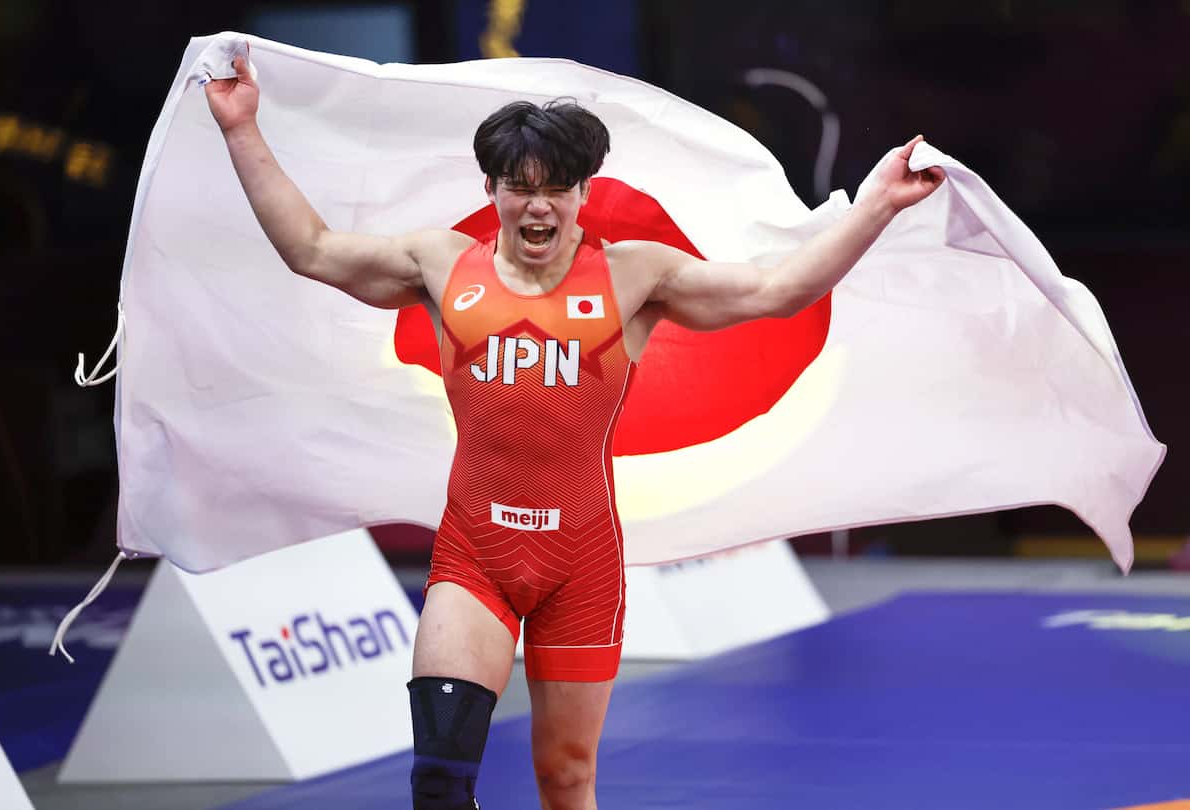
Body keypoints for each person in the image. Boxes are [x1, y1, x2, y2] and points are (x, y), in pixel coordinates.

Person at [205, 54, 943, 810]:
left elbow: (778, 290)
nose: (539, 207)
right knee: (440, 778)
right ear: (490, 189)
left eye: (557, 188)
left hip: (579, 567)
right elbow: (311, 249)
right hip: (475, 558)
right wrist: (240, 128)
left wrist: (877, 205)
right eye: (520, 187)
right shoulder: (440, 264)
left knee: (565, 780)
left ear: (585, 192)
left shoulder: (635, 276)